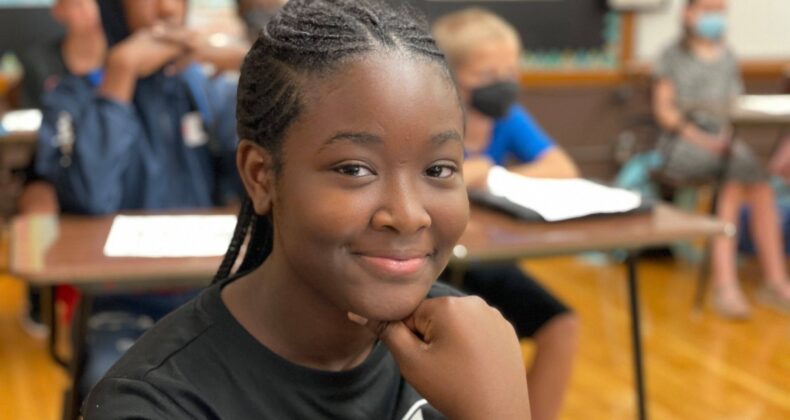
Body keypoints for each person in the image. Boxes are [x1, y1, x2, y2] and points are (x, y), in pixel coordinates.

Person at [83, 0, 530, 418]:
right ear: (261, 176)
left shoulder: (470, 346)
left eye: (438, 168)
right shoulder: (155, 403)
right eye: (355, 169)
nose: (410, 215)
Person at [34, 0, 242, 399]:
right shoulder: (71, 98)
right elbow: (92, 197)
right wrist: (121, 72)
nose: (167, 9)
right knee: (119, 394)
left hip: (213, 297)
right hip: (119, 305)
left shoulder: (205, 87)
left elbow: (264, 182)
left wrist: (251, 70)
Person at [432, 9, 579, 420]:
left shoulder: (508, 120)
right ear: (451, 75)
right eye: (487, 72)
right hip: (435, 267)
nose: (502, 81)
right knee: (484, 348)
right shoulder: (432, 119)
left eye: (509, 70)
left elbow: (562, 168)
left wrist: (491, 172)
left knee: (562, 324)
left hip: (488, 260)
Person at [652, 0, 790, 318]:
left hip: (724, 142)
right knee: (732, 179)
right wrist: (705, 140)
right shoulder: (670, 56)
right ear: (688, 12)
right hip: (683, 142)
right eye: (708, 9)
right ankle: (724, 286)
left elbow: (733, 106)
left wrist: (724, 139)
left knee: (760, 184)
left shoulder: (727, 55)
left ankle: (775, 279)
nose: (714, 17)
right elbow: (666, 113)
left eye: (720, 10)